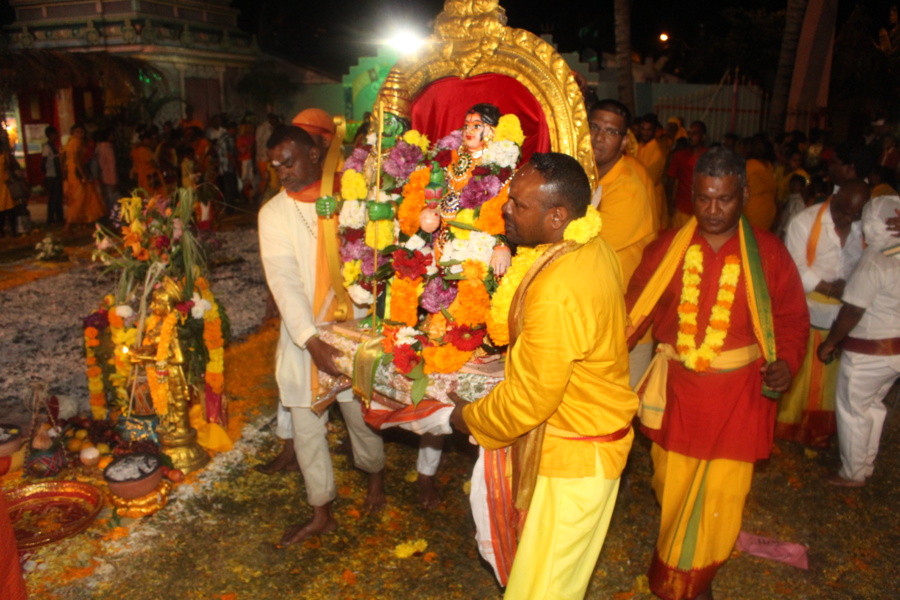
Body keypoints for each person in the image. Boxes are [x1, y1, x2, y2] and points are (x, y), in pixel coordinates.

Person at [451, 152, 638, 599]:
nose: (505, 210)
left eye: (519, 204)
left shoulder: (557, 290)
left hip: (576, 461)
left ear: (557, 217)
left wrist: (468, 418)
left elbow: (529, 400)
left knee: (544, 589)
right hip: (583, 442)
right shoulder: (593, 247)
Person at [626, 146, 809, 600]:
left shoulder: (769, 253)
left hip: (739, 397)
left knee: (724, 497)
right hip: (678, 394)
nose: (712, 210)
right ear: (691, 194)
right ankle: (682, 569)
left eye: (724, 199)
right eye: (704, 198)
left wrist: (786, 362)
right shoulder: (666, 248)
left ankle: (696, 578)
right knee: (670, 486)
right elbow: (632, 312)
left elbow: (791, 317)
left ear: (743, 195)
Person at [258, 125, 386, 546]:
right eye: (275, 165)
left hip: (353, 328)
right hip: (304, 334)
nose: (282, 172)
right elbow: (283, 280)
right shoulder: (273, 214)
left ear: (314, 154)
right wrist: (311, 340)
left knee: (360, 415)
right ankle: (321, 510)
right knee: (305, 421)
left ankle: (375, 477)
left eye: (288, 162)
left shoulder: (352, 196)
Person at [778, 180, 869, 447]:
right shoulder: (804, 222)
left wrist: (850, 291)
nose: (847, 220)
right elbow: (794, 267)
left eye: (854, 215)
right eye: (842, 212)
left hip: (845, 314)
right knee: (804, 369)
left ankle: (821, 429)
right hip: (808, 307)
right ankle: (792, 425)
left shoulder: (863, 227)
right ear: (835, 197)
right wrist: (830, 290)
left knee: (832, 376)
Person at [817, 195, 900, 487]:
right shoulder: (897, 252)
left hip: (869, 351)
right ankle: (865, 463)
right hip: (895, 352)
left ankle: (852, 473)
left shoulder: (876, 259)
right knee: (873, 406)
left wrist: (830, 342)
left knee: (853, 410)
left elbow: (853, 310)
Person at [589, 99, 658, 387]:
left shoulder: (628, 187)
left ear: (624, 141)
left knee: (616, 408)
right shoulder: (591, 173)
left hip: (625, 323)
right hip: (593, 317)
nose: (599, 137)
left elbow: (584, 249)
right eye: (594, 127)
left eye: (610, 131)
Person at [62, 124, 106, 232]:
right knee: (79, 198)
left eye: (82, 132)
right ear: (73, 133)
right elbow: (77, 161)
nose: (80, 134)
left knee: (87, 195)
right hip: (76, 173)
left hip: (72, 173)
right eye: (77, 132)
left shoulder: (69, 143)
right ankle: (68, 225)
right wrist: (83, 175)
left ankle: (85, 221)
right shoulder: (76, 142)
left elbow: (63, 160)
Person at [666, 121, 707, 228]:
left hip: (702, 212)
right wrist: (669, 202)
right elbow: (670, 181)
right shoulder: (679, 156)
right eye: (689, 133)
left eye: (695, 133)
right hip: (681, 210)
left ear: (703, 137)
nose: (690, 136)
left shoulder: (709, 158)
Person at [635, 113, 668, 230]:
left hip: (651, 195)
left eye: (649, 130)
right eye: (643, 129)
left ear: (654, 131)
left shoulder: (656, 152)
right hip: (640, 195)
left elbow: (648, 179)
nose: (645, 133)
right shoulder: (640, 146)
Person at [42, 125, 65, 226]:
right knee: (53, 198)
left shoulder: (54, 146)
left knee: (58, 197)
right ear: (50, 135)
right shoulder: (47, 147)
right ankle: (51, 219)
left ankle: (59, 218)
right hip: (52, 176)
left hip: (56, 175)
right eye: (55, 134)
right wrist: (45, 175)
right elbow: (44, 162)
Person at [96, 129, 119, 210]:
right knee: (114, 198)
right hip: (109, 177)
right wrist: (114, 181)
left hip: (102, 176)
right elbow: (111, 165)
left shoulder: (98, 147)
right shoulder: (108, 148)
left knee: (107, 197)